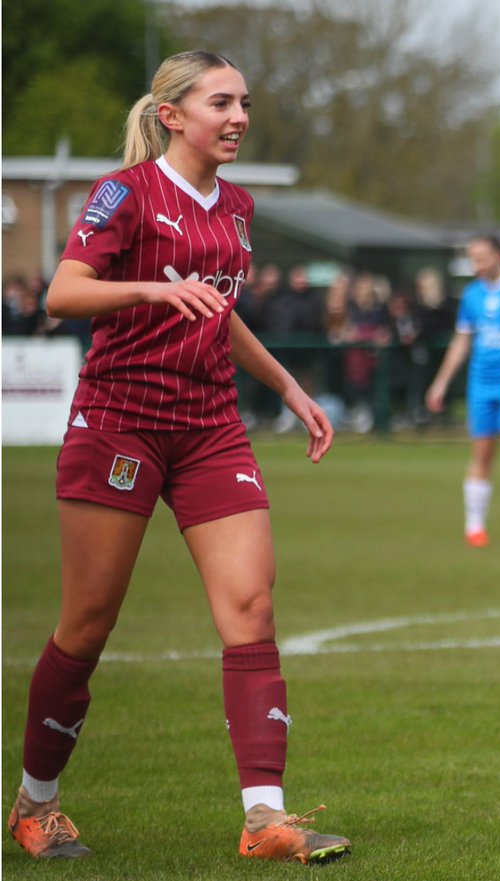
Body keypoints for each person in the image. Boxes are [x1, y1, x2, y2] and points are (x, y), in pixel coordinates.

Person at [6, 50, 350, 864]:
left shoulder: (235, 206)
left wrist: (289, 386)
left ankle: (265, 816)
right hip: (119, 422)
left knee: (252, 608)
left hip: (209, 425)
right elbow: (62, 292)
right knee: (86, 626)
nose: (238, 117)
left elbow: (218, 312)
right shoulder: (123, 192)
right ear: (173, 115)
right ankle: (35, 803)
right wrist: (152, 288)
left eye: (244, 103)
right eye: (220, 102)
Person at [425, 235, 500, 547]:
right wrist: (440, 383)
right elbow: (462, 342)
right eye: (473, 259)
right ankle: (475, 527)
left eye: (482, 258)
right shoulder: (472, 294)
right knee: (481, 454)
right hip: (481, 383)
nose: (477, 265)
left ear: (499, 256)